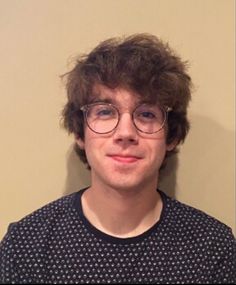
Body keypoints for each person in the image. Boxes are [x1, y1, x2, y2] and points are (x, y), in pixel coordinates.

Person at [0, 34, 235, 284]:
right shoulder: (26, 246)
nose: (125, 133)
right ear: (80, 132)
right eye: (104, 111)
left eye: (146, 114)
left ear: (171, 136)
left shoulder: (213, 249)